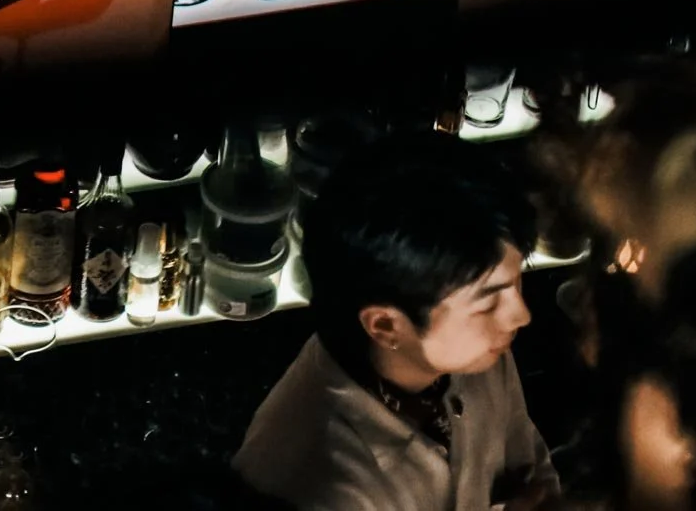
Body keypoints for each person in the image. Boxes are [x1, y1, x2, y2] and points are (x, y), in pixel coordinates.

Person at [234, 132, 559, 510]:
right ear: (386, 326)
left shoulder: (475, 349)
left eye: (516, 281)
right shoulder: (314, 483)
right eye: (488, 301)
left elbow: (529, 466)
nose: (520, 315)